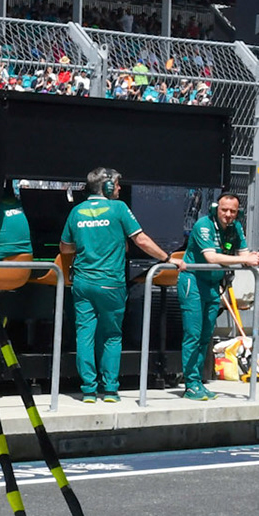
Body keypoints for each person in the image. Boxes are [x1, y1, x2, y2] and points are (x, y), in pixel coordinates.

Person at [57, 167, 175, 402]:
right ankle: (110, 389)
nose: (120, 188)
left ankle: (88, 390)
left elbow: (65, 248)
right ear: (107, 186)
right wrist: (167, 259)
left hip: (82, 282)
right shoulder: (118, 208)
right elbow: (141, 240)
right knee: (111, 335)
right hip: (110, 283)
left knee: (85, 335)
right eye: (118, 184)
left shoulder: (76, 211)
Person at [178, 191, 259, 401]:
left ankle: (198, 382)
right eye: (224, 210)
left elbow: (244, 254)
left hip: (213, 285)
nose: (228, 215)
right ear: (216, 209)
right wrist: (245, 260)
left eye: (233, 211)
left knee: (206, 336)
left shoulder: (236, 228)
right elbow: (211, 256)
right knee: (193, 335)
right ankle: (191, 383)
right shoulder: (203, 225)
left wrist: (253, 257)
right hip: (193, 282)